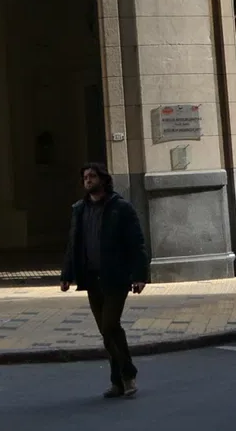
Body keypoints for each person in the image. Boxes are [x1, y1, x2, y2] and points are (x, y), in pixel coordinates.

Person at [60, 162, 150, 399]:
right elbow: (73, 244)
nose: (88, 180)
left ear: (103, 179)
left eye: (92, 176)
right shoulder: (80, 209)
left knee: (110, 325)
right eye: (85, 177)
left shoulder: (120, 208)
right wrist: (67, 275)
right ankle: (117, 382)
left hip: (116, 277)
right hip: (91, 278)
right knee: (106, 331)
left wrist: (139, 276)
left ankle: (128, 374)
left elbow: (136, 243)